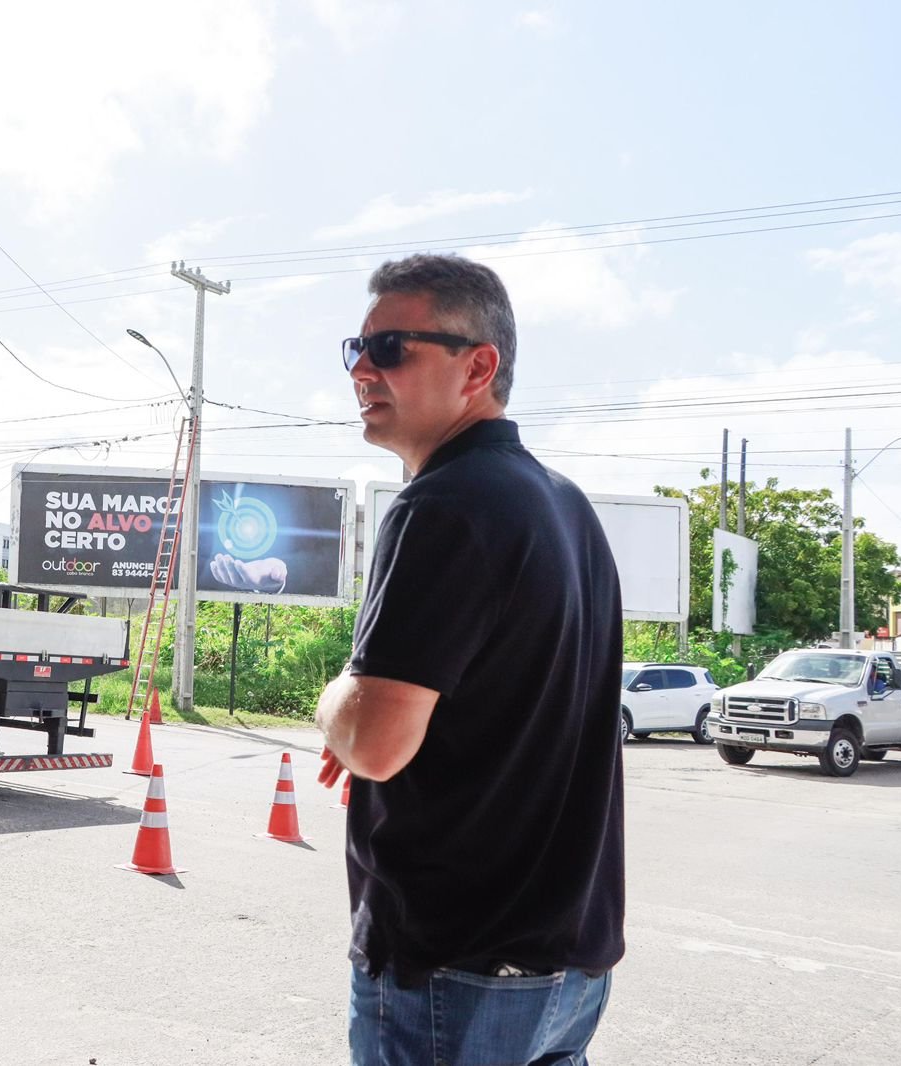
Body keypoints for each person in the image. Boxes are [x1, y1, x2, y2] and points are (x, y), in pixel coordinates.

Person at [315, 254, 625, 1065]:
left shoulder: (446, 505)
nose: (361, 370)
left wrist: (337, 700)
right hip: (565, 961)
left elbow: (375, 743)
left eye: (391, 349)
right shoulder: (561, 504)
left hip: (456, 967)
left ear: (478, 366)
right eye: (356, 346)